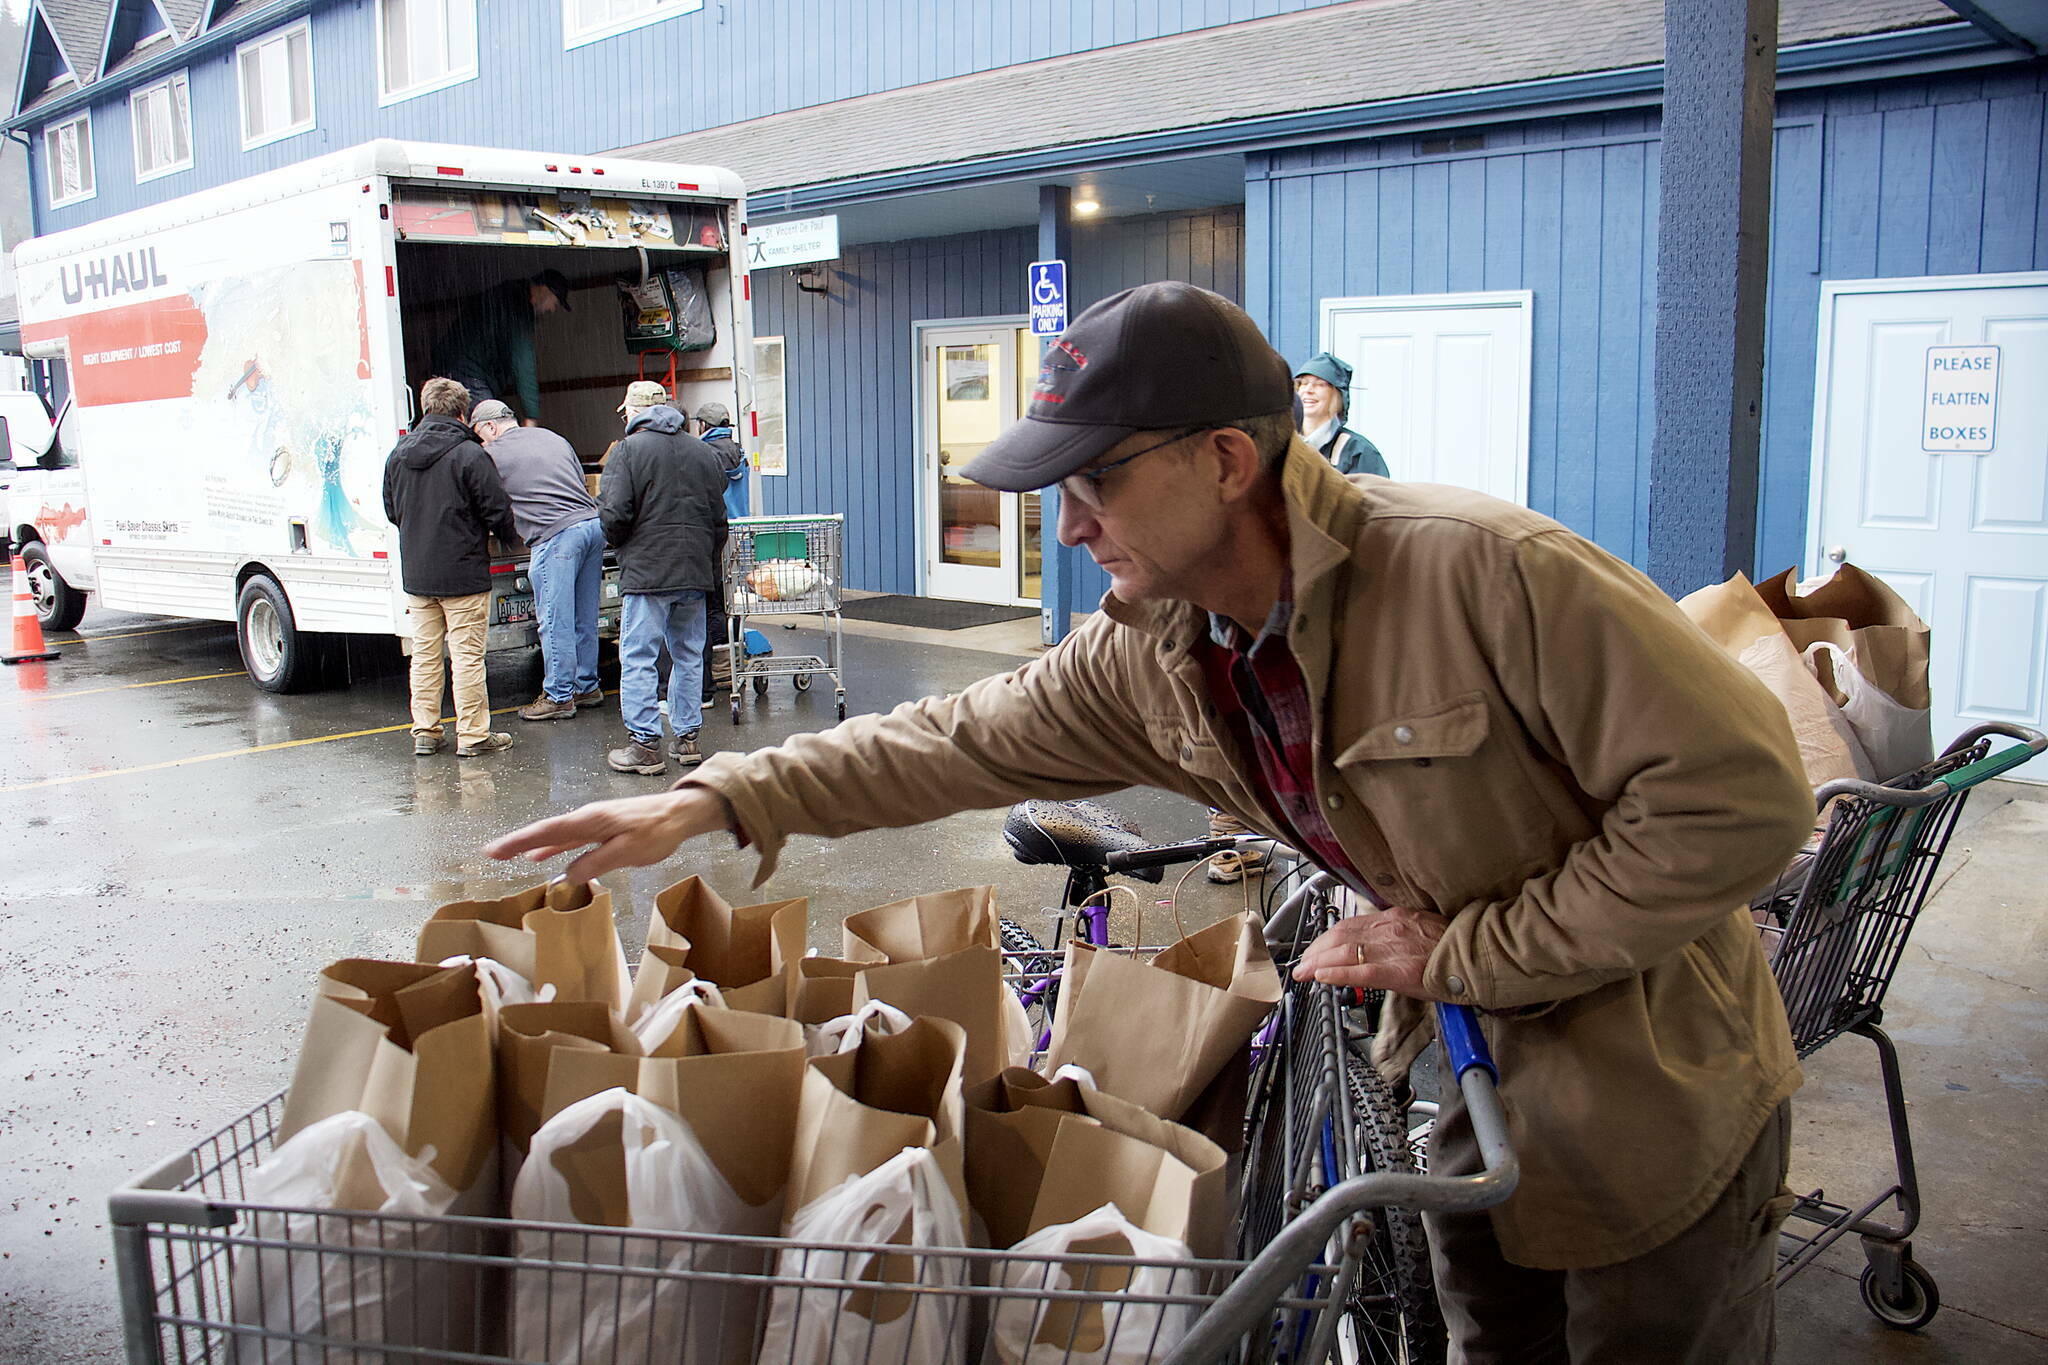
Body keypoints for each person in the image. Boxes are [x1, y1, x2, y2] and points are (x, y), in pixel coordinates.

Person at [489, 281, 1814, 1361]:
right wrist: (715, 795)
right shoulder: (1163, 649)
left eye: (1095, 486)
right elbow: (953, 740)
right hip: (1468, 1087)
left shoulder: (1486, 574)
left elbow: (1745, 798)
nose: (1067, 530)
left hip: (1660, 1097)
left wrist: (1469, 951)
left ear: (1228, 461)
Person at [598, 380, 729, 775]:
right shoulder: (701, 451)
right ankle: (687, 739)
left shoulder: (628, 452)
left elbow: (614, 515)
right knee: (687, 655)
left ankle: (645, 745)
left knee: (640, 656)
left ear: (632, 413)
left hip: (648, 572)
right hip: (694, 571)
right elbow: (718, 518)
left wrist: (622, 548)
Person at [381, 378, 517, 757]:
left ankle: (425, 730)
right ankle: (473, 736)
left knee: (425, 655)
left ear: (425, 408)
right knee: (467, 657)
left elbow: (392, 510)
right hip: (463, 574)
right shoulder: (470, 455)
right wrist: (509, 537)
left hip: (419, 574)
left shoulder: (399, 454)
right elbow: (497, 508)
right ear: (462, 412)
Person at [471, 399, 606, 721]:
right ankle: (587, 686)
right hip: (592, 526)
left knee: (555, 619)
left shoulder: (492, 454)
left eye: (480, 435)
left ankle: (559, 695)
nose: (482, 442)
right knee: (584, 616)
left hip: (555, 535)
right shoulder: (552, 437)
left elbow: (487, 501)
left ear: (491, 426)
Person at [430, 270, 572, 426]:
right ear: (545, 290)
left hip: (448, 372)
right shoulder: (518, 307)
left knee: (454, 430)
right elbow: (523, 361)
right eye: (555, 303)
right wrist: (531, 415)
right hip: (469, 376)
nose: (552, 309)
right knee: (493, 430)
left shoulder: (503, 294)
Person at [693, 400, 748, 710]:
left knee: (713, 601)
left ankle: (719, 666)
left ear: (704, 425)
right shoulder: (738, 451)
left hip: (718, 533)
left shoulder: (706, 453)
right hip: (742, 531)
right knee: (732, 598)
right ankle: (733, 661)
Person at [1295, 351, 1389, 478]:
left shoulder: (1358, 452)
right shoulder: (1282, 445)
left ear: (1337, 396)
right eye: (1304, 383)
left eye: (1320, 384)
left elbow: (1376, 496)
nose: (1308, 390)